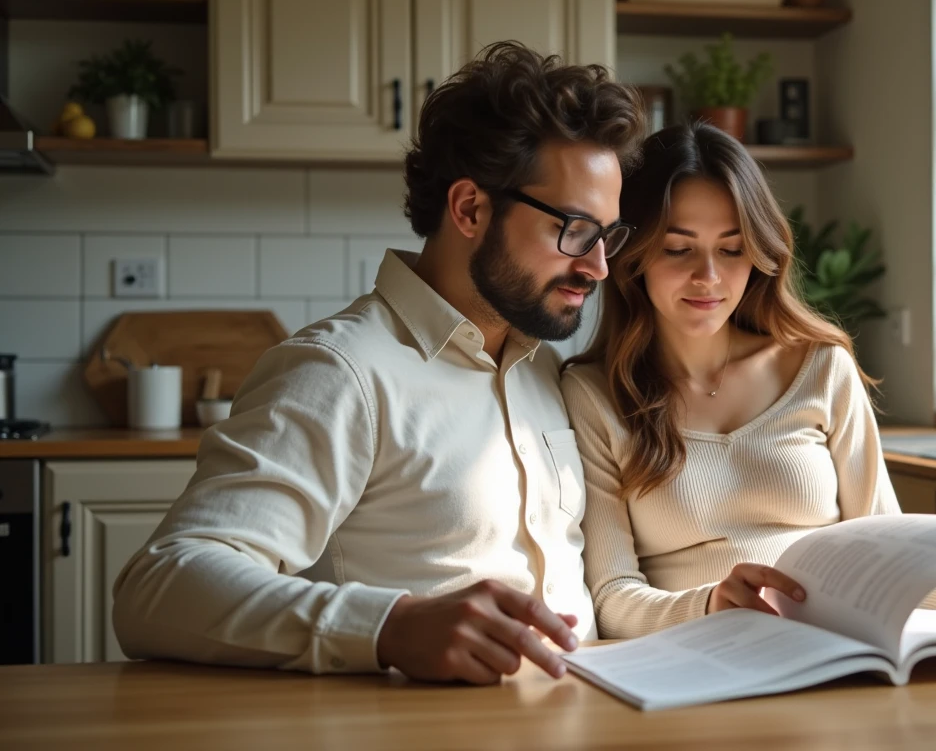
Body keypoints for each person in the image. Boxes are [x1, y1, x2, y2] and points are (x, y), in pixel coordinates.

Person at [111, 42, 646, 683]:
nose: (597, 266)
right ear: (470, 208)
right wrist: (388, 627)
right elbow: (158, 588)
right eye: (576, 230)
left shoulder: (541, 368)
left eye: (608, 236)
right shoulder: (338, 373)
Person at [561, 122, 936, 640]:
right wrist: (710, 605)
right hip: (695, 661)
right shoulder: (594, 395)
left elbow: (888, 552)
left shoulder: (820, 367)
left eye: (732, 248)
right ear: (632, 255)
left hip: (830, 653)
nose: (709, 277)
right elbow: (611, 597)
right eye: (678, 249)